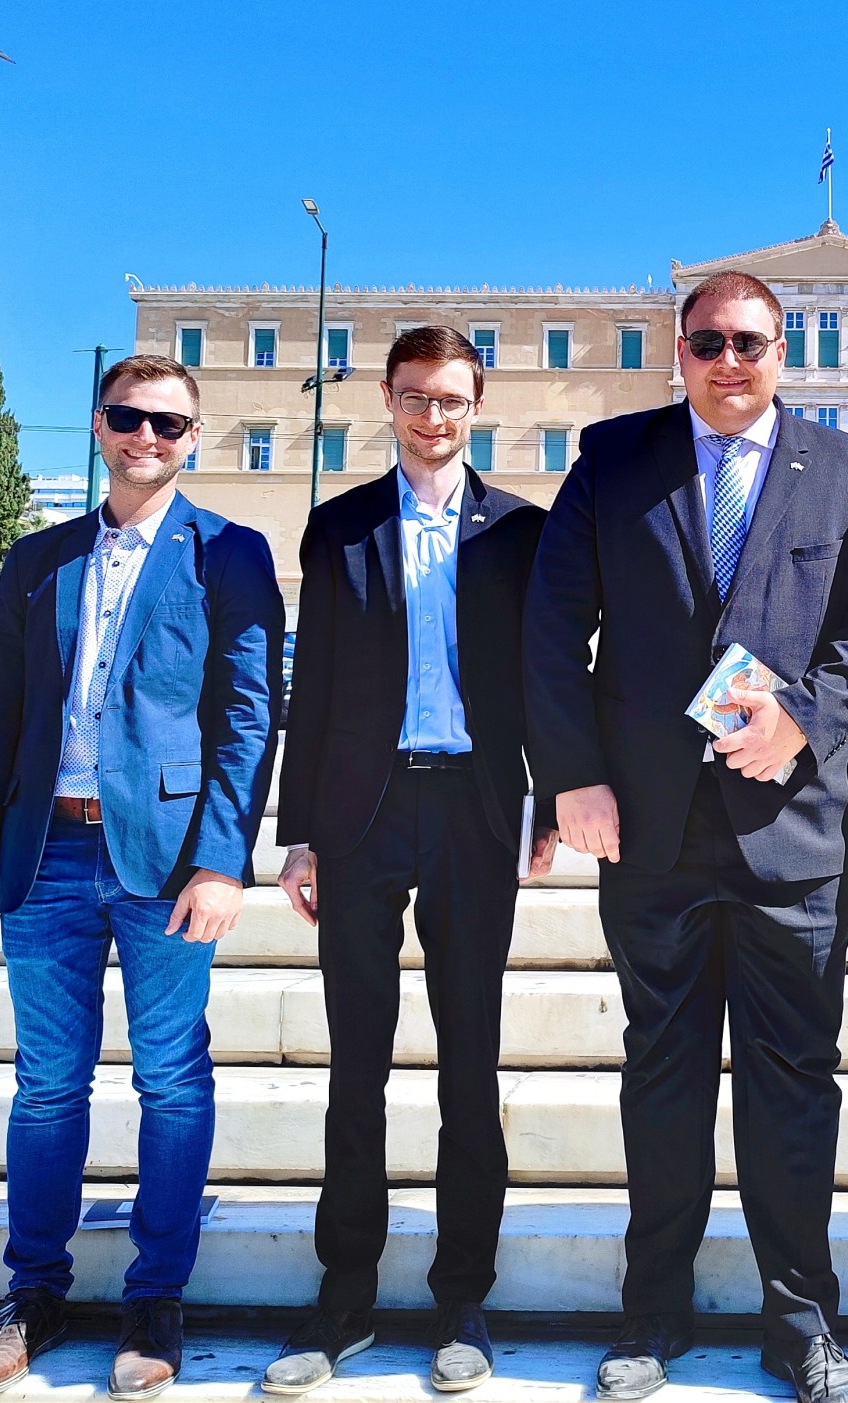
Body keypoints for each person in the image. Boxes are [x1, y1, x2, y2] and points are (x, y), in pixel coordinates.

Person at [525, 271, 848, 1403]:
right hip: (647, 828)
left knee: (795, 1081)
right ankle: (654, 1309)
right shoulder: (613, 459)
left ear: (782, 349)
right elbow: (553, 629)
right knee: (662, 1074)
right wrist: (574, 779)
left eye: (749, 341)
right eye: (707, 342)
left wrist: (809, 714)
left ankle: (801, 1320)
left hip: (792, 832)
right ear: (678, 350)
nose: (728, 361)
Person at [0, 353, 283, 1399]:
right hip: (42, 854)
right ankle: (33, 1293)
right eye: (131, 418)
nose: (149, 437)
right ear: (98, 424)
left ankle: (156, 1298)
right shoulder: (38, 558)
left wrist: (226, 858)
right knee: (47, 1083)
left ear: (195, 437)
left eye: (171, 424)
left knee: (172, 1077)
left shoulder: (230, 552)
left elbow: (245, 718)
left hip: (168, 861)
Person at [264, 327, 555, 1396]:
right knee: (358, 1064)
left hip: (477, 805)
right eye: (418, 397)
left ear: (478, 406)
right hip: (362, 814)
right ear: (386, 400)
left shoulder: (521, 530)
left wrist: (554, 796)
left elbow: (547, 672)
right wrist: (300, 830)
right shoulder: (338, 528)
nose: (436, 416)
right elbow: (318, 686)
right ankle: (343, 1297)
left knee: (469, 1062)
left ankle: (461, 1296)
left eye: (454, 400)